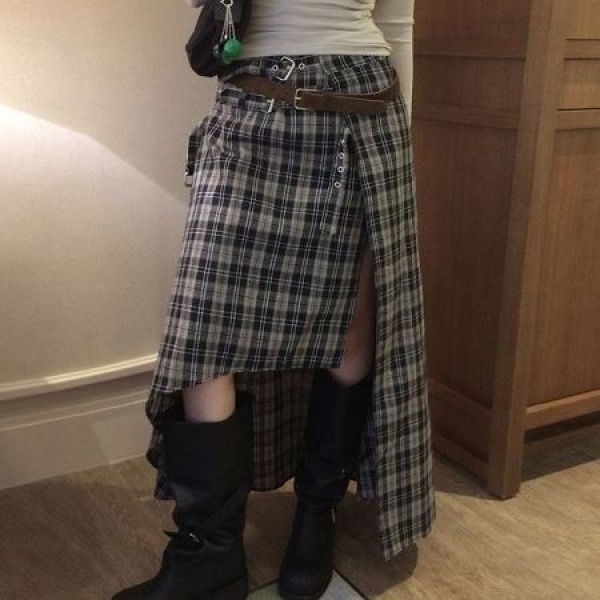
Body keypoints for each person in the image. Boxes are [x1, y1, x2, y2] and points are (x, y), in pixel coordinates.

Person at [112, 0, 435, 599]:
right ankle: (209, 554)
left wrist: (401, 149)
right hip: (252, 104)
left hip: (367, 110)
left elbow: (397, 24)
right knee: (204, 336)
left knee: (351, 327)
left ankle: (317, 514)